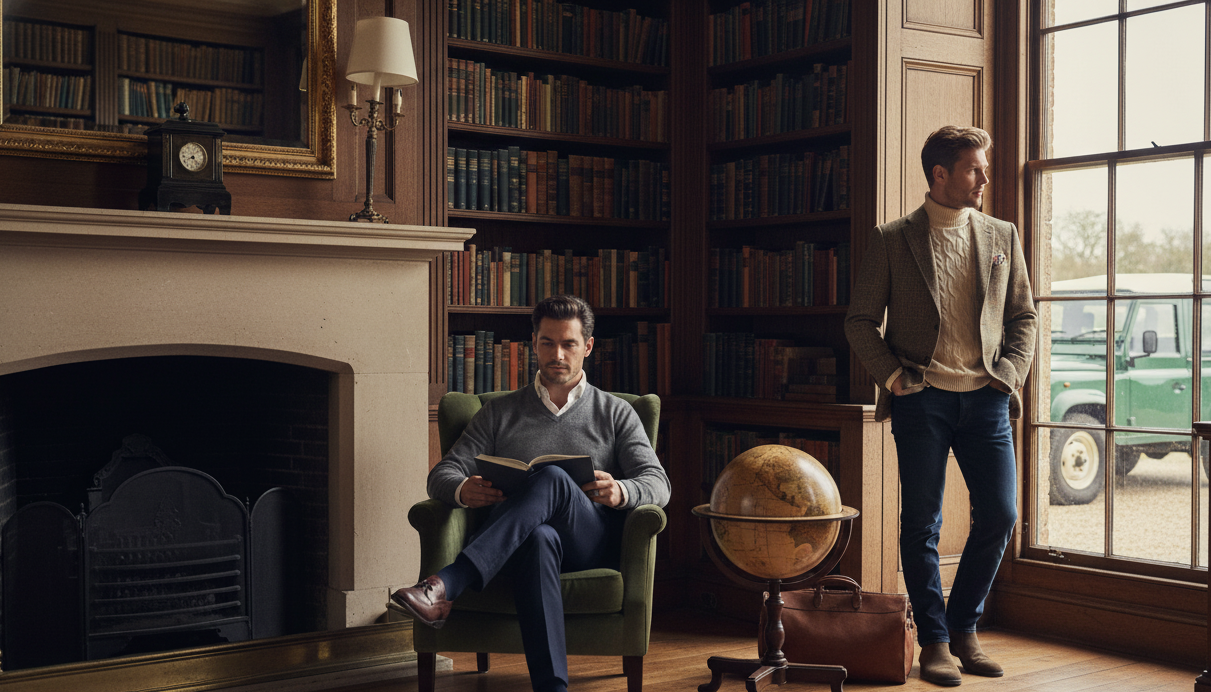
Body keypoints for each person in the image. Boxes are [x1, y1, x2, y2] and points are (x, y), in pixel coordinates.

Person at [391, 294, 671, 692]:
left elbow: (659, 484)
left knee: (554, 477)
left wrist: (621, 490)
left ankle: (447, 584)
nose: (557, 353)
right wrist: (461, 490)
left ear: (587, 347)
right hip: (517, 549)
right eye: (547, 342)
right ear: (534, 343)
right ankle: (552, 686)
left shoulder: (616, 413)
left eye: (569, 343)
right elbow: (442, 474)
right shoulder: (499, 412)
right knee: (540, 537)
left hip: (587, 544)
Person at [843, 126, 1036, 687]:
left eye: (984, 168)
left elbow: (1024, 316)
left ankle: (964, 629)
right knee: (922, 523)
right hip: (921, 400)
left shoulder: (1002, 234)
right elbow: (859, 322)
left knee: (1000, 514)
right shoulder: (893, 238)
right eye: (975, 169)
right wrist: (894, 377)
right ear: (940, 174)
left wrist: (1007, 376)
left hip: (987, 400)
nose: (984, 179)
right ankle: (934, 642)